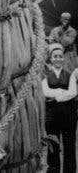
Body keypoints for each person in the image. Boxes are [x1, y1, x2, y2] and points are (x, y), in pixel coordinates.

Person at [43, 42, 77, 173]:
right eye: (55, 56)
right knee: (53, 144)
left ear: (64, 58)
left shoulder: (70, 74)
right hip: (52, 115)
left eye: (60, 56)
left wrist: (56, 96)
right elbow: (45, 91)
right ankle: (53, 170)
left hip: (69, 114)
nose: (58, 59)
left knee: (69, 145)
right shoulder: (45, 75)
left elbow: (73, 92)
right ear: (50, 59)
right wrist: (62, 92)